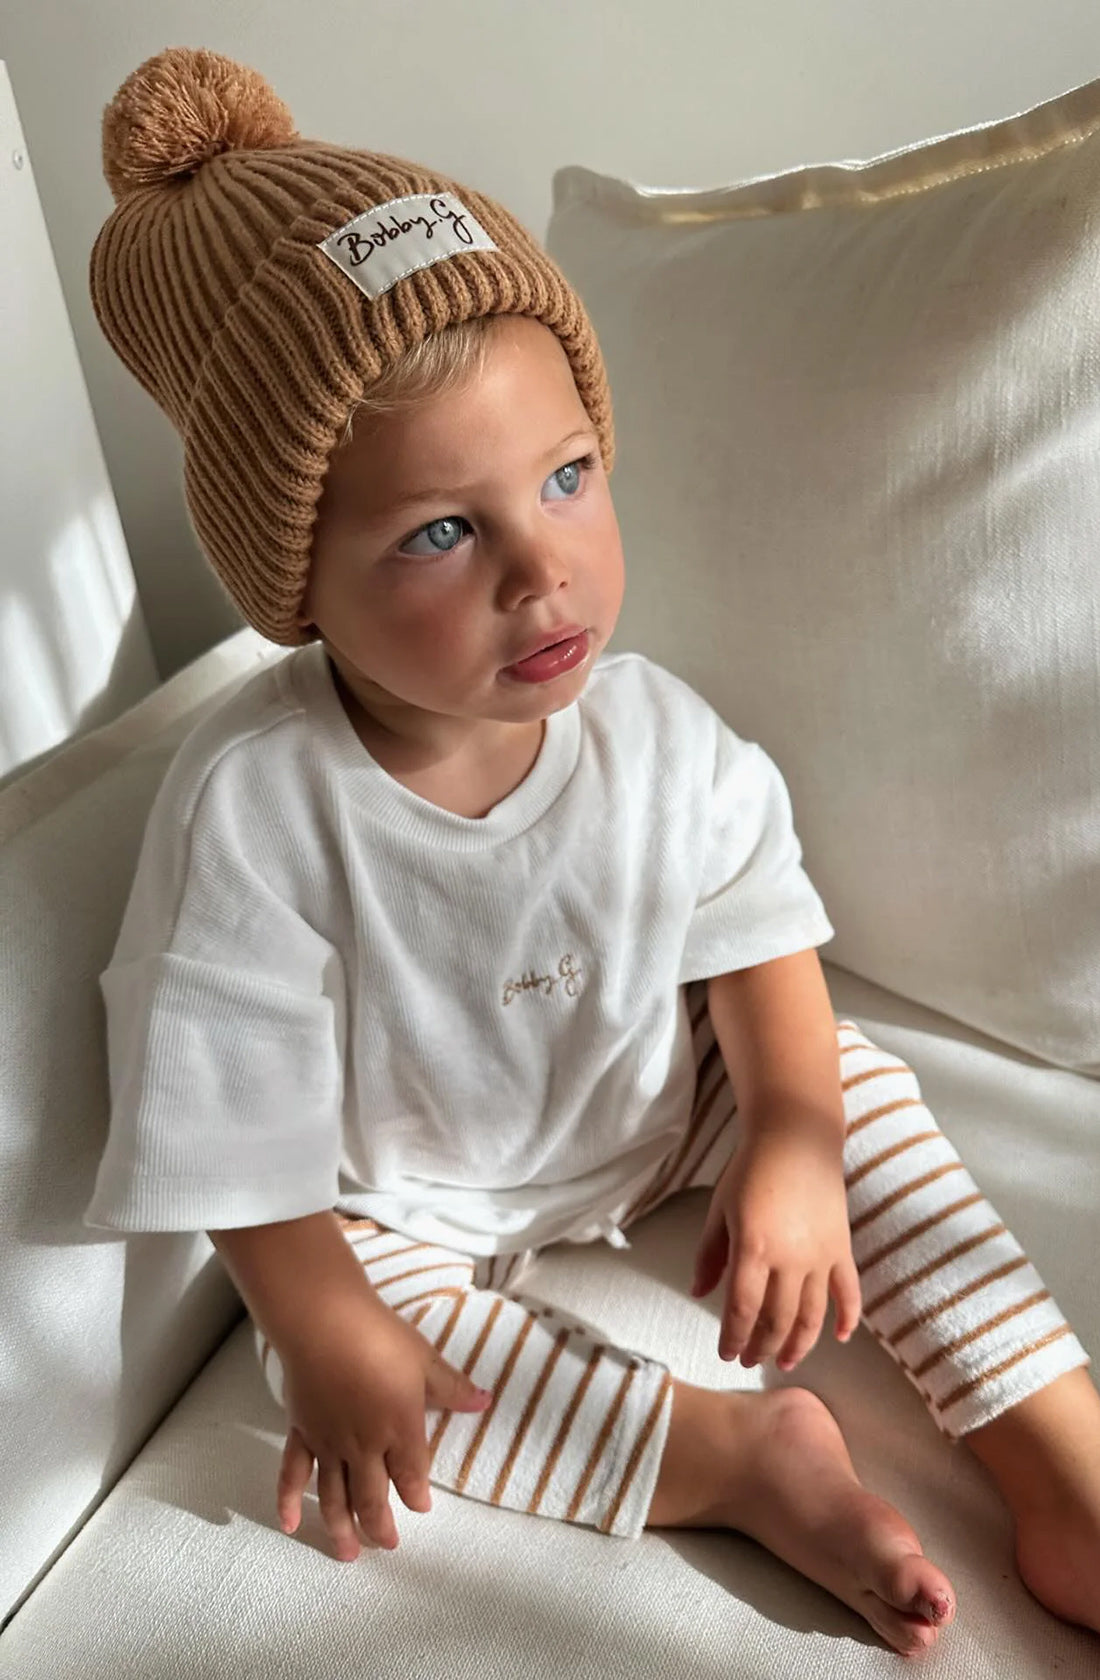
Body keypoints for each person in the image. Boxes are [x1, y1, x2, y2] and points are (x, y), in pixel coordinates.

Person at [83, 47, 1100, 1660]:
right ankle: (733, 1460)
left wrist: (782, 1129)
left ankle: (1055, 1444)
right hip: (408, 1188)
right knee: (339, 1360)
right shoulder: (260, 807)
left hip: (660, 1100)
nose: (543, 573)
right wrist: (320, 1313)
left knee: (860, 1091)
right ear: (297, 578)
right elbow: (230, 1120)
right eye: (441, 532)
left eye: (567, 480)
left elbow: (758, 931)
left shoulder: (652, 730)